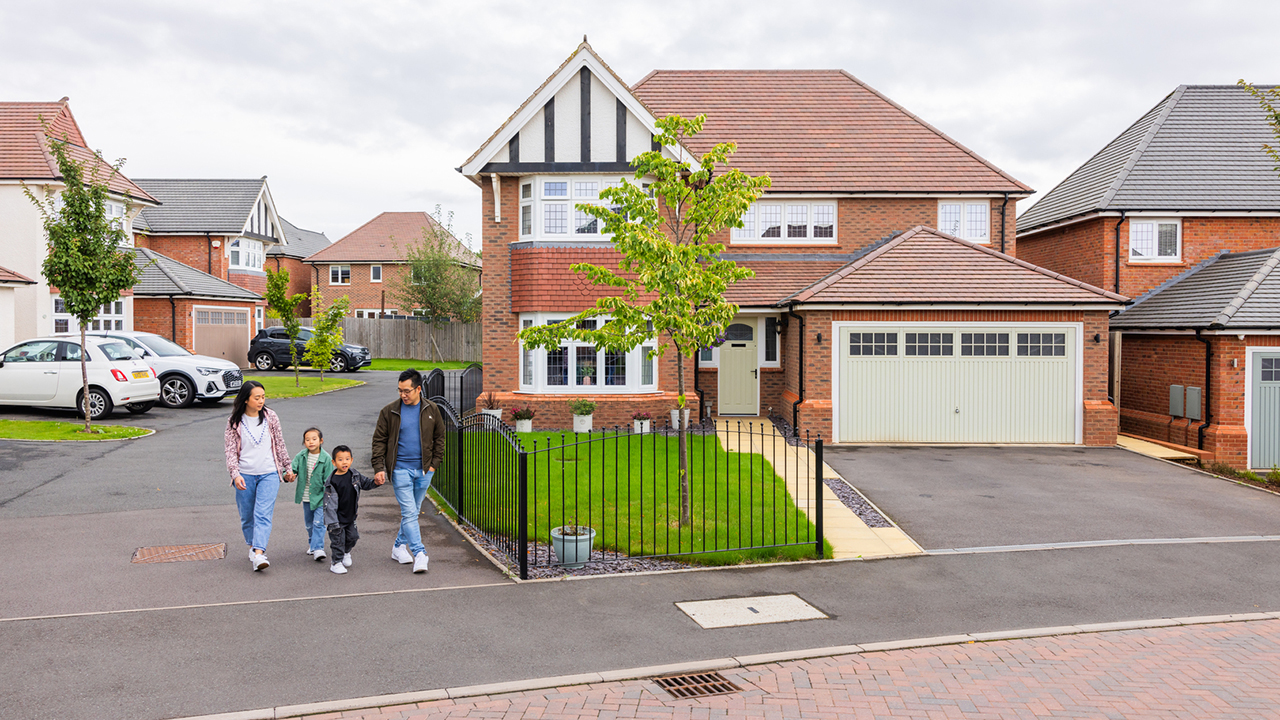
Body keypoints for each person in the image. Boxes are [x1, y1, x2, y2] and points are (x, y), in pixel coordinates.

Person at [372, 369, 446, 573]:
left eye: (407, 391)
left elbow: (440, 437)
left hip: (424, 471)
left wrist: (433, 465)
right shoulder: (389, 411)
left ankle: (398, 547)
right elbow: (379, 441)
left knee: (412, 512)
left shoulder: (431, 409)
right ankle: (420, 553)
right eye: (399, 390)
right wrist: (379, 467)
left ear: (418, 389)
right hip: (400, 470)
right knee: (410, 512)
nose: (403, 395)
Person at [224, 381, 295, 571]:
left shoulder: (271, 417)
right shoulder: (234, 422)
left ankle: (259, 554)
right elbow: (230, 452)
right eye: (257, 398)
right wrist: (235, 474)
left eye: (263, 397)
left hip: (269, 473)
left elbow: (280, 443)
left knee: (262, 514)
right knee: (247, 516)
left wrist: (287, 467)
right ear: (246, 399)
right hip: (245, 475)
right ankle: (252, 546)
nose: (261, 401)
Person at [321, 445, 382, 575]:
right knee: (338, 541)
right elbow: (329, 504)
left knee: (353, 537)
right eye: (340, 459)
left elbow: (366, 483)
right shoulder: (332, 481)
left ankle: (346, 552)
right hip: (336, 519)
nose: (344, 462)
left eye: (347, 459)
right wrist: (332, 522)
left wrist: (376, 483)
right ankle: (336, 563)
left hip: (350, 516)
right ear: (334, 462)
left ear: (351, 460)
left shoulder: (354, 475)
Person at [291, 427, 334, 562]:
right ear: (304, 442)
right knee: (309, 524)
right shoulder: (301, 456)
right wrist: (289, 475)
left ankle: (318, 548)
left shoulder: (326, 458)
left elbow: (330, 479)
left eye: (314, 439)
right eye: (307, 440)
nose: (311, 442)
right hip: (306, 497)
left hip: (321, 497)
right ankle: (312, 544)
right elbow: (291, 468)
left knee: (318, 523)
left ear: (321, 441)